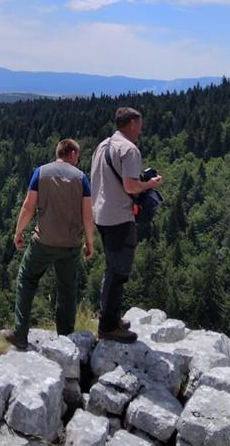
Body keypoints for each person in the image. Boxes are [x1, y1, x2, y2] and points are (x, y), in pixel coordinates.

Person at [7, 138, 95, 351]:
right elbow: (87, 215)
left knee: (27, 279)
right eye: (78, 155)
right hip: (70, 244)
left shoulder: (41, 173)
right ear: (72, 154)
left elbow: (28, 207)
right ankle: (65, 339)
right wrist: (89, 242)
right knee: (67, 289)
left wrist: (19, 232)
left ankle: (20, 333)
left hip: (43, 241)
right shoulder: (81, 178)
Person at [90, 107, 163, 342]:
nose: (141, 130)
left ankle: (111, 318)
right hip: (119, 217)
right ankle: (108, 326)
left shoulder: (103, 145)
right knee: (118, 272)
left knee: (113, 269)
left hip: (101, 213)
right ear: (131, 123)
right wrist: (150, 185)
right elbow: (130, 187)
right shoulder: (130, 150)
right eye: (139, 125)